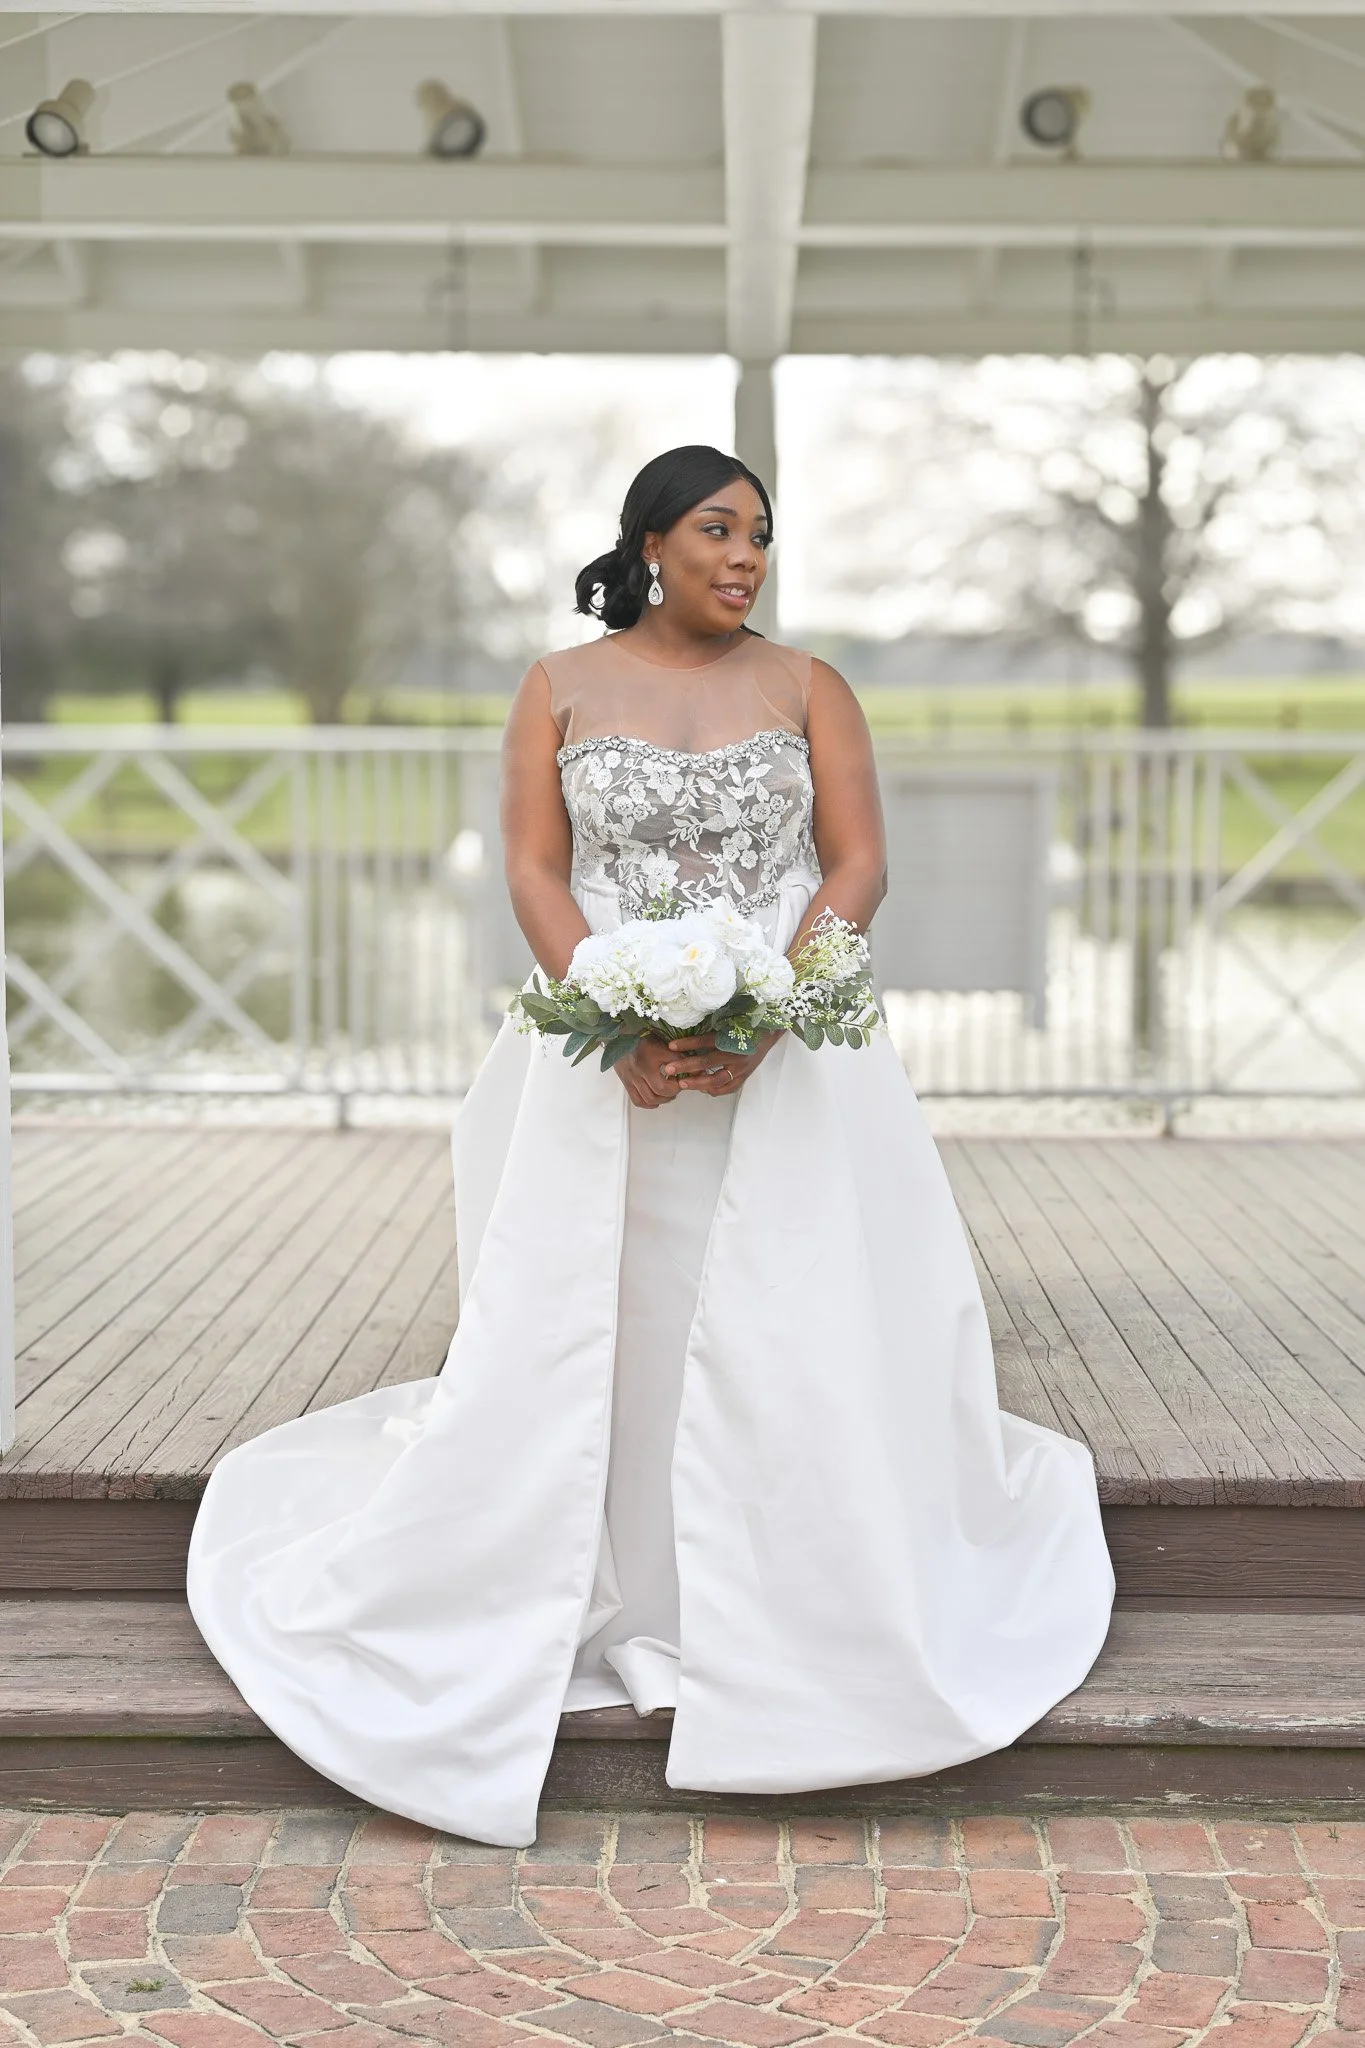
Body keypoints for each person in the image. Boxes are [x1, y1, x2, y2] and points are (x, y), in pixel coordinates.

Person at [188, 444, 1114, 1849]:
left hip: (792, 1067)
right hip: (601, 1063)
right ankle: (585, 1578)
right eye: (716, 531)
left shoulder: (811, 686)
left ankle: (777, 1609)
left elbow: (858, 862)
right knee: (591, 1320)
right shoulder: (560, 685)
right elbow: (534, 866)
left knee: (785, 1315)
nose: (745, 558)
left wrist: (781, 1014)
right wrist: (610, 1019)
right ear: (648, 542)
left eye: (760, 536)